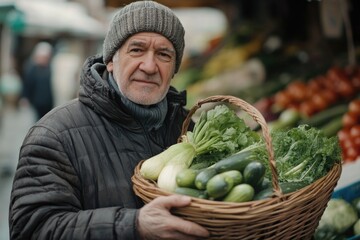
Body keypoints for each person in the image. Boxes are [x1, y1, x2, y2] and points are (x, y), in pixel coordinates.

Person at [9, 1, 210, 240]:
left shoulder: (190, 131)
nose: (149, 66)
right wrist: (134, 226)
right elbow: (32, 229)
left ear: (174, 68)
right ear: (111, 61)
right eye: (136, 50)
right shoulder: (53, 136)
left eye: (164, 54)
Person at [22, 41, 54, 120]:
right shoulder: (32, 69)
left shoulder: (51, 68)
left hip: (49, 101)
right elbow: (28, 84)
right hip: (37, 101)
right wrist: (25, 97)